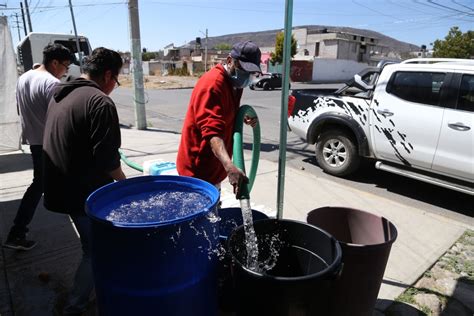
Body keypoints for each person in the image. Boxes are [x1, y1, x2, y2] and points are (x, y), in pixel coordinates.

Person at [42, 47, 126, 315]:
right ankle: (75, 306)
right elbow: (108, 159)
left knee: (92, 245)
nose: (114, 87)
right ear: (108, 75)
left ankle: (94, 288)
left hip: (59, 185)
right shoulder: (100, 102)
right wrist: (126, 187)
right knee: (96, 250)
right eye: (116, 80)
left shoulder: (62, 94)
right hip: (82, 192)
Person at [3, 43, 71, 251]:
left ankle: (18, 231)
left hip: (34, 141)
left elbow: (19, 107)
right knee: (47, 185)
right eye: (65, 66)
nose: (66, 72)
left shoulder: (23, 78)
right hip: (51, 144)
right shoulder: (51, 83)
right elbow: (60, 119)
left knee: (41, 185)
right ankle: (16, 233)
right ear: (54, 62)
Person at [176, 41, 261, 196]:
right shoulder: (213, 85)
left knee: (214, 213)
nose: (246, 76)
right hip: (197, 171)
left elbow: (222, 113)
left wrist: (240, 117)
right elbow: (212, 132)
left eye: (251, 72)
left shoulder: (234, 84)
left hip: (214, 169)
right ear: (229, 61)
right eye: (242, 69)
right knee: (201, 217)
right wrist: (229, 166)